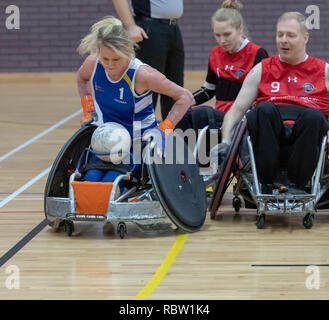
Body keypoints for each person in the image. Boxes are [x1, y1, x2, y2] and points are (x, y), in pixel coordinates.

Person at [212, 11, 329, 192]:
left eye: (290, 35)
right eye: (279, 34)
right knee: (263, 109)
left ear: (305, 38)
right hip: (268, 138)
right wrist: (226, 141)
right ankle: (267, 181)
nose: (283, 40)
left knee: (314, 115)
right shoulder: (262, 69)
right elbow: (235, 111)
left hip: (307, 138)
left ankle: (295, 185)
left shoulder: (324, 71)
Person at [76, 16, 192, 183]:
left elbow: (185, 97)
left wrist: (164, 129)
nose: (109, 65)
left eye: (116, 59)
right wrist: (88, 109)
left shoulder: (143, 75)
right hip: (107, 140)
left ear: (128, 51)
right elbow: (82, 79)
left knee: (111, 183)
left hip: (139, 142)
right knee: (90, 181)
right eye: (105, 58)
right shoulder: (93, 63)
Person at [175, 0, 268, 162]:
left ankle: (207, 167)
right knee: (181, 114)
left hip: (241, 117)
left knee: (201, 113)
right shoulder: (215, 53)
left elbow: (263, 95)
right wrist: (186, 101)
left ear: (239, 29)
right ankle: (178, 165)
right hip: (218, 114)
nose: (221, 40)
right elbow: (208, 89)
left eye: (226, 34)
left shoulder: (257, 53)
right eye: (217, 35)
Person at [112, 0, 184, 120]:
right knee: (149, 88)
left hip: (173, 28)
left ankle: (171, 134)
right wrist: (130, 26)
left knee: (175, 87)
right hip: (150, 28)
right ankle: (139, 133)